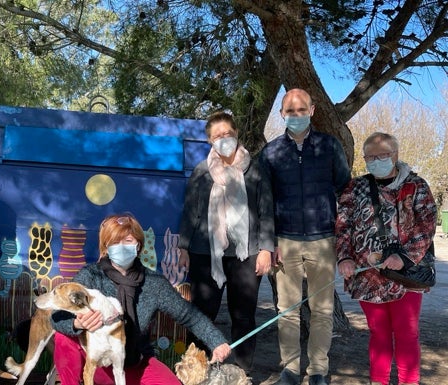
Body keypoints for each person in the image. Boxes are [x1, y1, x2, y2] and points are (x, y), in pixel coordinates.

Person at [51, 213, 232, 385]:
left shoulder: (154, 283)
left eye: (128, 241)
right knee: (63, 338)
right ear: (106, 247)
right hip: (96, 365)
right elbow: (56, 316)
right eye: (115, 242)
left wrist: (216, 341)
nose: (121, 246)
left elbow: (189, 316)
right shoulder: (90, 276)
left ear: (138, 245)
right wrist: (77, 324)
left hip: (135, 362)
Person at [259, 88, 351, 385]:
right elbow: (264, 203)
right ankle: (289, 369)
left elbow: (345, 191)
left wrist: (343, 238)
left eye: (302, 110)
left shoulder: (329, 146)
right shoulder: (271, 152)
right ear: (282, 114)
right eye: (290, 110)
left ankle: (318, 371)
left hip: (323, 241)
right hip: (284, 243)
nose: (296, 115)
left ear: (312, 110)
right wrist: (266, 244)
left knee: (322, 311)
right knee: (287, 312)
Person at [177, 111, 275, 372]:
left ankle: (242, 370)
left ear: (236, 134)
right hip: (205, 253)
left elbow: (266, 210)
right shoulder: (201, 171)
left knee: (243, 315)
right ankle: (196, 369)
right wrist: (183, 247)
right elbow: (190, 211)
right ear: (209, 141)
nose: (223, 139)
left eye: (227, 134)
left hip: (248, 253)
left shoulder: (256, 169)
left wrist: (267, 248)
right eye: (217, 136)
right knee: (202, 313)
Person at [336, 132, 436, 385]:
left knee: (406, 334)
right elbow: (343, 226)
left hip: (404, 276)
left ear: (395, 155)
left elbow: (427, 225)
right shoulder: (354, 187)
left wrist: (405, 257)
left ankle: (408, 382)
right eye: (370, 156)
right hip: (367, 275)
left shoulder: (415, 185)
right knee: (378, 333)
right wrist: (344, 258)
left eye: (382, 155)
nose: (375, 160)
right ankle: (378, 381)